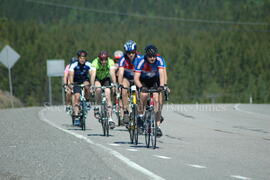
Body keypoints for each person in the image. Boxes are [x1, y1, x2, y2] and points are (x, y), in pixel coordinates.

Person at [134, 45, 165, 137]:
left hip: (154, 80)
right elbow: (136, 78)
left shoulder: (159, 60)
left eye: (154, 56)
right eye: (150, 56)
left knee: (156, 99)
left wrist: (162, 86)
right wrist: (140, 87)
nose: (152, 58)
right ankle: (140, 116)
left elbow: (162, 74)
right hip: (143, 81)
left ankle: (157, 126)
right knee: (143, 96)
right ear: (146, 56)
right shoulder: (141, 61)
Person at [90, 51, 117, 129]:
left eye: (105, 59)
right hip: (97, 78)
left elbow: (112, 73)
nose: (104, 61)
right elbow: (93, 74)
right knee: (98, 89)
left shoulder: (110, 61)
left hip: (106, 79)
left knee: (108, 95)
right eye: (102, 60)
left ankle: (110, 119)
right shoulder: (95, 62)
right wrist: (92, 85)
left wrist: (114, 83)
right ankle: (97, 105)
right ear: (99, 59)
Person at [118, 40, 142, 124]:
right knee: (124, 89)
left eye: (132, 52)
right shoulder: (123, 59)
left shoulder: (140, 58)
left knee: (140, 94)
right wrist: (120, 84)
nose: (131, 54)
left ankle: (140, 114)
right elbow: (120, 72)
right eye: (128, 53)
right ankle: (125, 112)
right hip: (127, 78)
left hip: (137, 78)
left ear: (135, 51)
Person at [69, 50, 92, 125]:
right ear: (78, 58)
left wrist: (92, 84)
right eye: (80, 57)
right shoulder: (74, 65)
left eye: (84, 58)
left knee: (87, 86)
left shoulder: (88, 64)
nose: (82, 59)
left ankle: (87, 101)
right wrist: (71, 84)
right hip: (76, 82)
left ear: (86, 58)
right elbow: (71, 75)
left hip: (85, 80)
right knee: (77, 97)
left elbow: (91, 75)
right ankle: (76, 116)